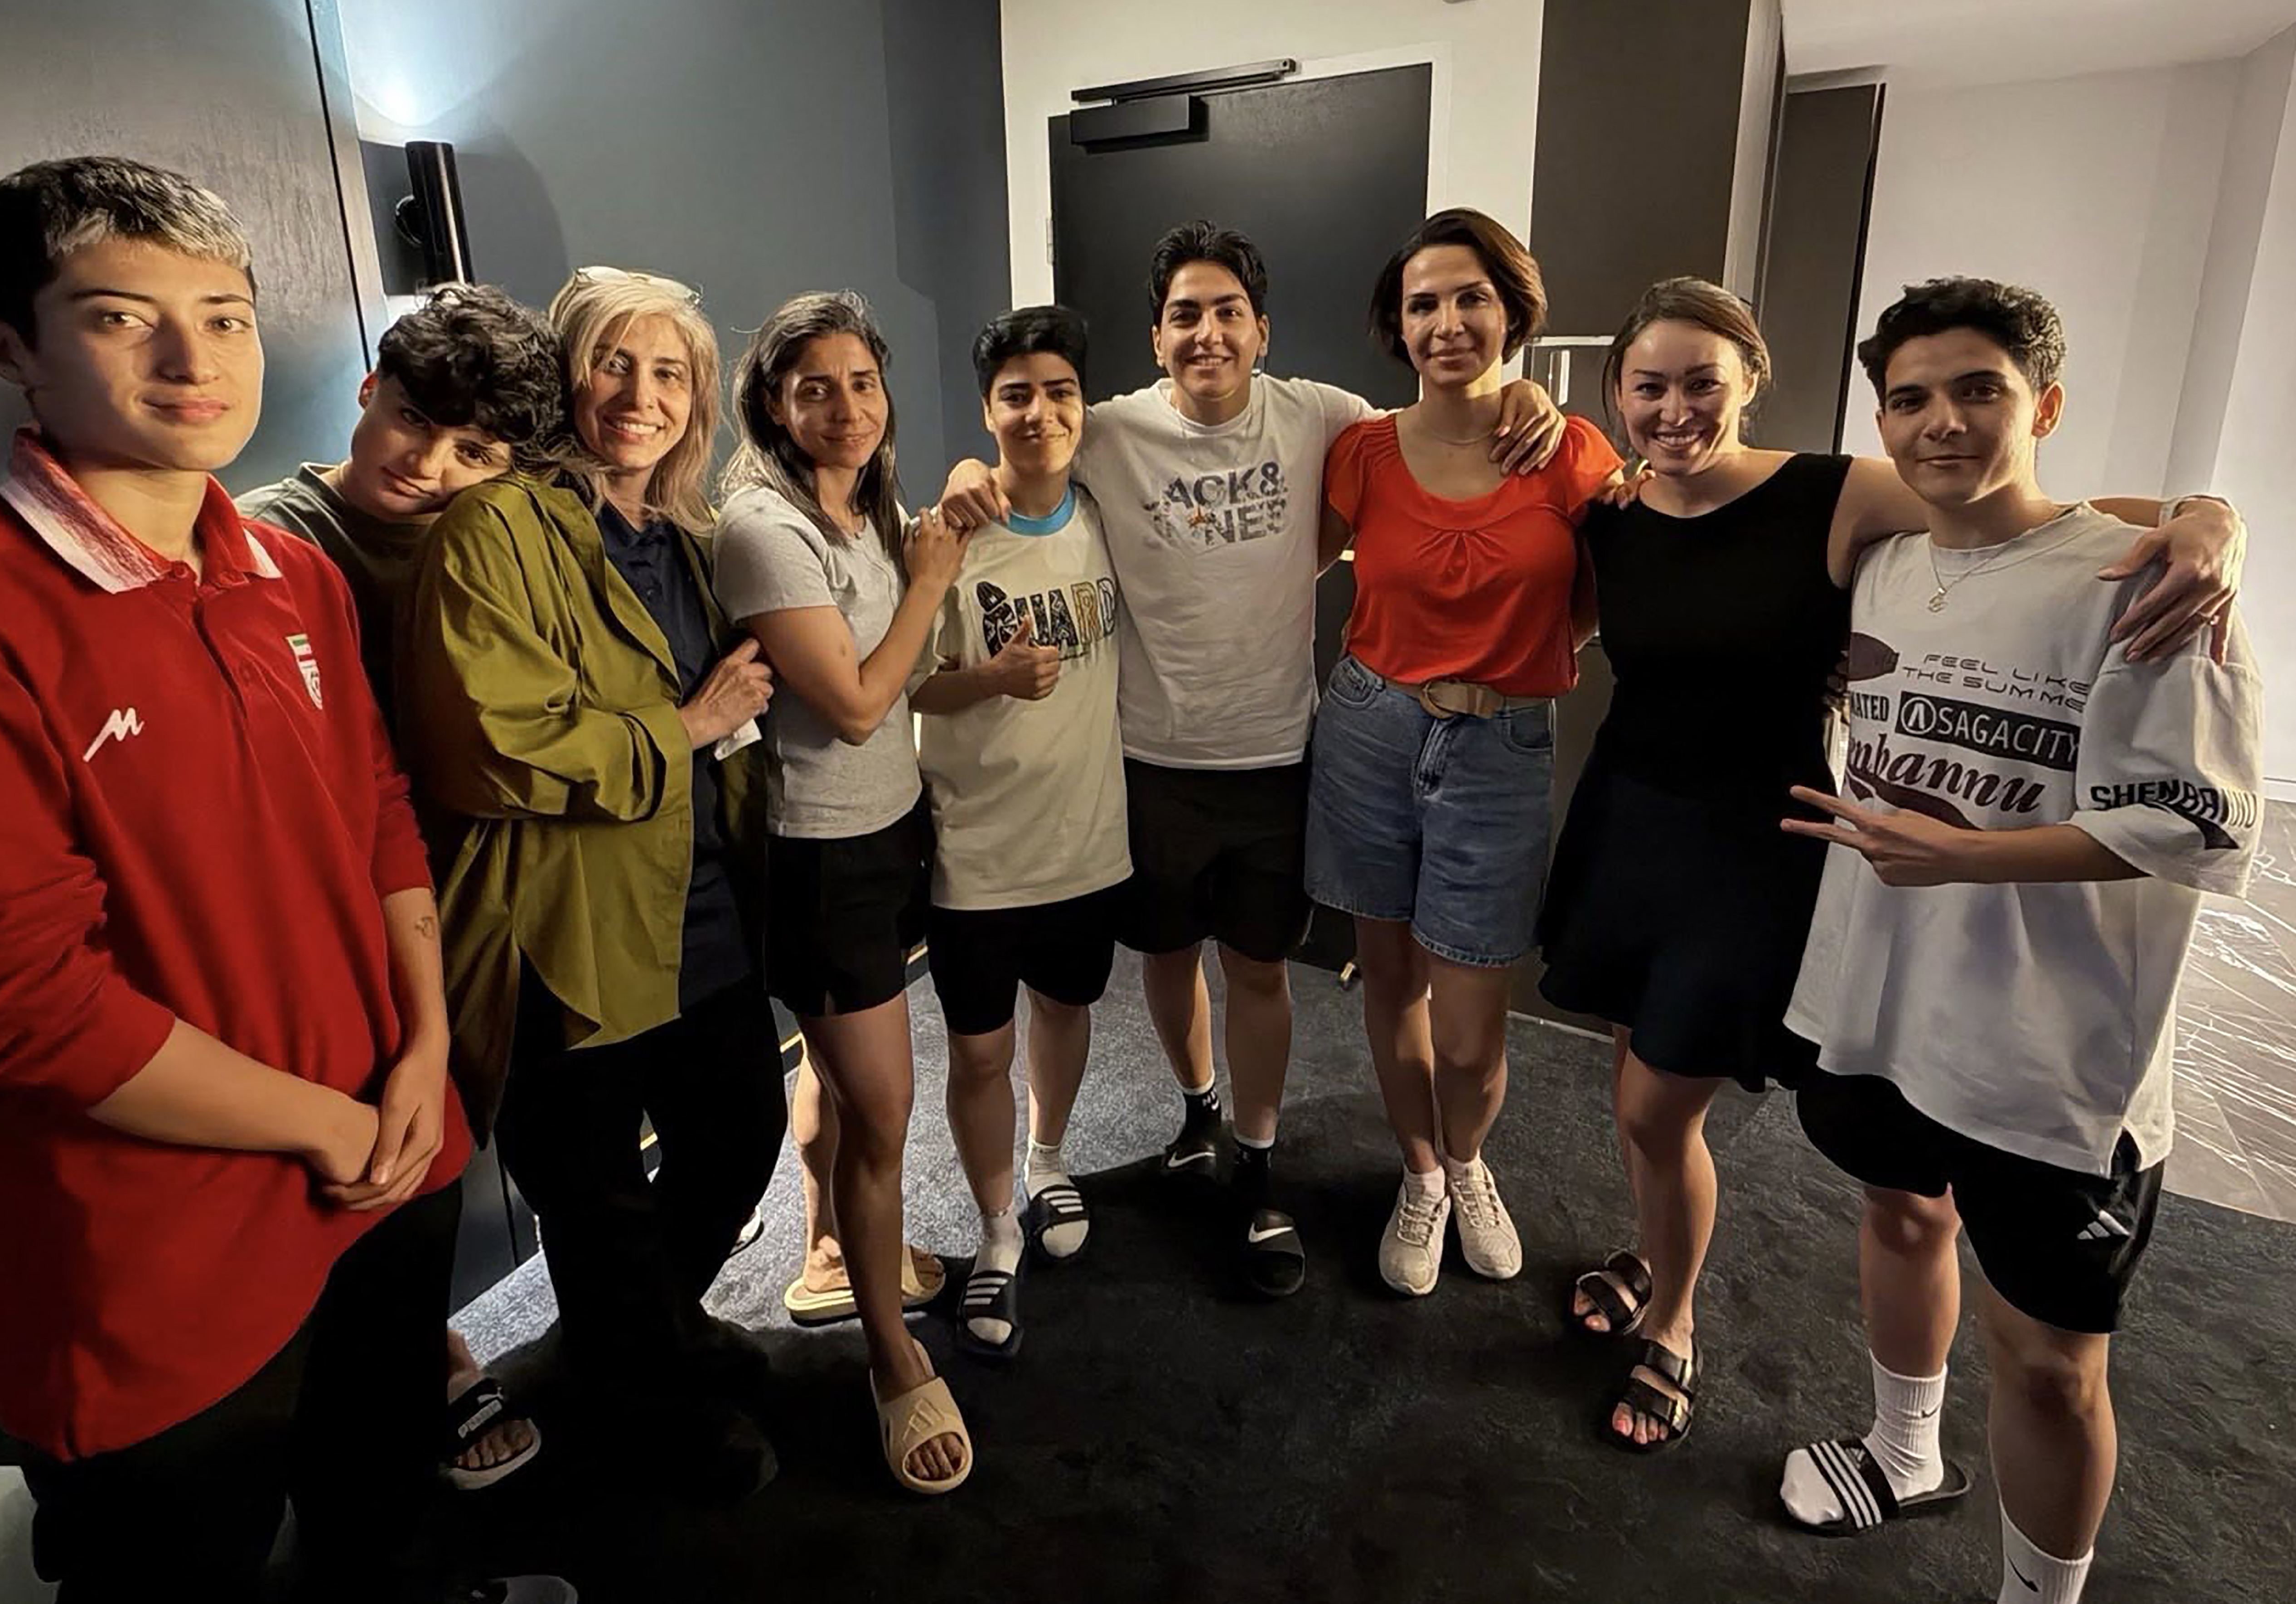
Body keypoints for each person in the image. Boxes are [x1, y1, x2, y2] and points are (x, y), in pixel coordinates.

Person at [0, 156, 570, 1603]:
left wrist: (425, 1054)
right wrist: (329, 1119)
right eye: (121, 316)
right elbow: (21, 1003)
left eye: (226, 316)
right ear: (11, 345)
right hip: (163, 1230)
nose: (194, 359)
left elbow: (374, 815)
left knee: (380, 1492)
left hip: (391, 1138)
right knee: (182, 1553)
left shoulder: (283, 574)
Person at [1536, 278, 2247, 1452]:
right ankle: (1656, 1242)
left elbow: (2045, 521)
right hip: (1626, 826)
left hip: (1756, 841)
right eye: (1648, 386)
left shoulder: (1836, 490)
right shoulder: (1611, 512)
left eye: (1701, 382)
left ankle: (1674, 1316)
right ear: (1614, 393)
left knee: (1655, 1100)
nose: (1672, 409)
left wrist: (2204, 513)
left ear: (1750, 383)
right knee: (1643, 1088)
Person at [941, 222, 1566, 1297]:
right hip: (1149, 757)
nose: (1207, 333)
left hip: (1279, 754)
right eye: (1185, 314)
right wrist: (960, 469)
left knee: (1262, 971)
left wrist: (1524, 398)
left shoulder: (1325, 417)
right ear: (1157, 336)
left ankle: (1259, 1162)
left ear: (1261, 329)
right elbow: (1017, 442)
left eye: (1227, 311)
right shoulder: (1110, 430)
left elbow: (1436, 428)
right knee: (1167, 957)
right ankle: (1194, 1117)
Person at [1770, 279, 2261, 1604]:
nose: (1941, 422)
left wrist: (1971, 855)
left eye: (1977, 389)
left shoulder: (2143, 580)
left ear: (2043, 405)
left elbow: (2199, 824)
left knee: (2050, 1358)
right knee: (1898, 1212)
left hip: (2051, 1058)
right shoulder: (1882, 562)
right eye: (1911, 397)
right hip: (1876, 1002)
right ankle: (1904, 1447)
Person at [403, 266, 788, 1503]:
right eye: (613, 362)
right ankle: (650, 1393)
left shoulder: (684, 539)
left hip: (700, 908)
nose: (641, 394)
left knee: (744, 1128)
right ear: (565, 374)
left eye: (669, 371)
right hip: (563, 924)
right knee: (595, 1186)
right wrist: (685, 724)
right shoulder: (493, 531)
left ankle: (643, 1329)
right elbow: (493, 742)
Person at [240, 280, 566, 1490]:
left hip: (453, 894)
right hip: (324, 917)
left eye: (473, 450)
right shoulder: (268, 541)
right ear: (367, 390)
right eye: (413, 422)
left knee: (432, 1156)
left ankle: (412, 1358)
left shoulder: (488, 539)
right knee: (350, 1180)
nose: (428, 465)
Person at [1304, 207, 1626, 1307]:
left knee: (1473, 1015)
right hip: (1367, 726)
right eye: (1423, 303)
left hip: (1497, 744)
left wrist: (1518, 663)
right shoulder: (1360, 450)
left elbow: (1600, 597)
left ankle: (1473, 1159)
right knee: (1387, 981)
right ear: (1397, 326)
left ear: (1510, 310)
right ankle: (1422, 1172)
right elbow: (1273, 566)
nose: (1447, 321)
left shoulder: (1568, 447)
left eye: (1469, 298)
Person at [711, 290, 974, 1494]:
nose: (847, 408)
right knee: (885, 1108)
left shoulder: (868, 503)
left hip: (886, 827)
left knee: (834, 1065)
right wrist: (928, 576)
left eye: (863, 382)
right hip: (817, 852)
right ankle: (890, 1356)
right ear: (773, 401)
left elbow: (908, 676)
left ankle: (828, 1251)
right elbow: (862, 700)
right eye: (815, 388)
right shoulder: (763, 524)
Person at [914, 307, 1125, 1359]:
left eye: (1057, 392)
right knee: (976, 1047)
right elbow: (903, 685)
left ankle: (1048, 1159)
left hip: (1086, 839)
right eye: (1014, 395)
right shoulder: (946, 533)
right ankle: (995, 1229)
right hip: (976, 851)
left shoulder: (1105, 513)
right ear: (986, 410)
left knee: (1067, 1009)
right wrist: (989, 680)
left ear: (1083, 407)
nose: (1038, 412)